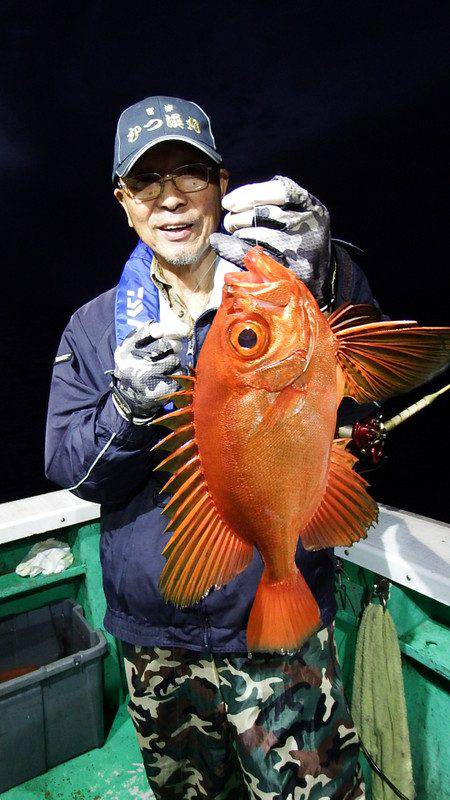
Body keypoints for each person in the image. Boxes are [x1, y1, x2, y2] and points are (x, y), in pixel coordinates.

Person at [45, 95, 378, 799]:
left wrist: (330, 277)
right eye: (147, 182)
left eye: (189, 175)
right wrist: (128, 411)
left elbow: (368, 386)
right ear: (124, 201)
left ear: (223, 185)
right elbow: (70, 467)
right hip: (153, 641)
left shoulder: (282, 288)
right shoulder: (94, 325)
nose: (171, 199)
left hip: (272, 630)